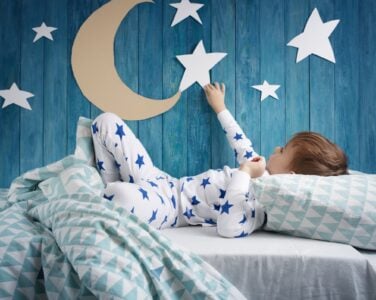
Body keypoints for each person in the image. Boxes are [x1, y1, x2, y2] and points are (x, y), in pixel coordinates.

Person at [91, 82, 348, 238]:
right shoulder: (260, 168)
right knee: (105, 121)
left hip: (169, 210)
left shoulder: (262, 207)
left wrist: (245, 172)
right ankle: (110, 187)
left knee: (120, 196)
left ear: (290, 178)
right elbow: (239, 140)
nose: (277, 148)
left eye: (283, 151)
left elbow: (229, 228)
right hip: (165, 184)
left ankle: (111, 194)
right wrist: (220, 107)